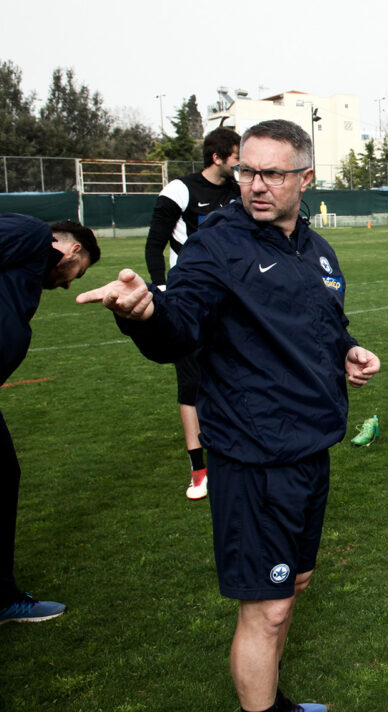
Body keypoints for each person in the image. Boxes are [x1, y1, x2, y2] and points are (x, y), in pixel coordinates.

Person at [77, 119, 378, 712]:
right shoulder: (216, 244)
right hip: (253, 454)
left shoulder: (316, 248)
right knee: (265, 611)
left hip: (310, 449)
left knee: (291, 589)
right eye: (247, 171)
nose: (256, 185)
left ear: (306, 178)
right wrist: (142, 314)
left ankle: (273, 701)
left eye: (272, 173)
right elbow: (179, 326)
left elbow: (324, 321)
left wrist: (348, 349)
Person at [0, 214, 98, 628]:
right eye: (79, 270)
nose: (71, 282)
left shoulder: (23, 271)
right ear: (71, 250)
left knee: (2, 477)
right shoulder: (31, 235)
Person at [145, 127, 240, 500]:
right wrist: (165, 291)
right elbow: (154, 245)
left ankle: (232, 453)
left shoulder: (240, 191)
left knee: (234, 370)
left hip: (233, 299)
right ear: (218, 157)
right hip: (188, 299)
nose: (242, 164)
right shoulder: (180, 190)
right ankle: (198, 469)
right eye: (237, 156)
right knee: (191, 384)